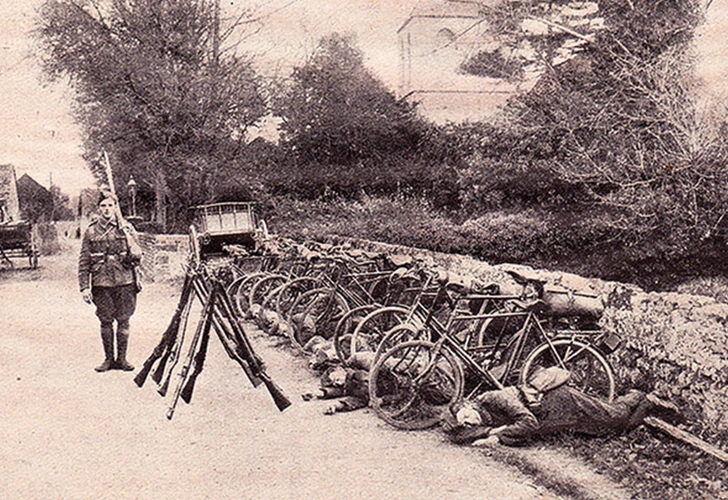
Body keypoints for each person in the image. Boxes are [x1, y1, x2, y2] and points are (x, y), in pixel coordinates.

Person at [444, 367, 683, 446]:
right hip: (560, 416)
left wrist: (496, 436)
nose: (467, 421)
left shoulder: (493, 398)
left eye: (465, 415)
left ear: (468, 404)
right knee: (613, 429)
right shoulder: (484, 414)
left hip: (564, 402)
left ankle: (641, 396)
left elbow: (529, 423)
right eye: (464, 424)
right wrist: (489, 433)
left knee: (617, 420)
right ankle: (642, 400)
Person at [78, 192, 143, 372]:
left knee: (124, 319)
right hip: (101, 282)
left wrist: (127, 237)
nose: (107, 209)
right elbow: (84, 260)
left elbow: (138, 256)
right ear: (99, 209)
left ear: (116, 208)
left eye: (110, 205)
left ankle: (122, 359)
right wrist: (84, 286)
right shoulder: (91, 231)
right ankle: (108, 360)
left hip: (125, 280)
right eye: (103, 206)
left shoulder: (127, 228)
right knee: (105, 321)